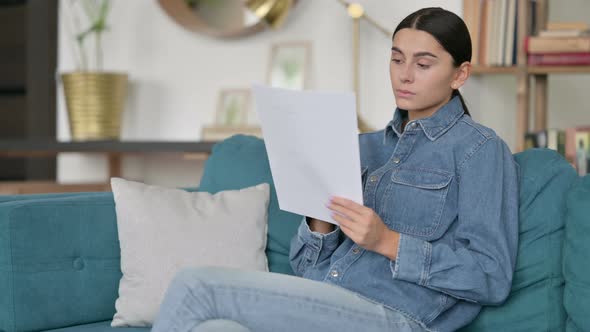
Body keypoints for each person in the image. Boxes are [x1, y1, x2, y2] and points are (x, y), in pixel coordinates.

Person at [152, 7, 519, 332]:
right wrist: (321, 221)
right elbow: (306, 266)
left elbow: (490, 276)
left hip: (398, 315)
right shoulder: (363, 146)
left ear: (460, 74)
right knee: (215, 328)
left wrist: (387, 242)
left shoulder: (480, 150)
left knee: (195, 287)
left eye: (423, 64)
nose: (404, 75)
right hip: (327, 298)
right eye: (396, 59)